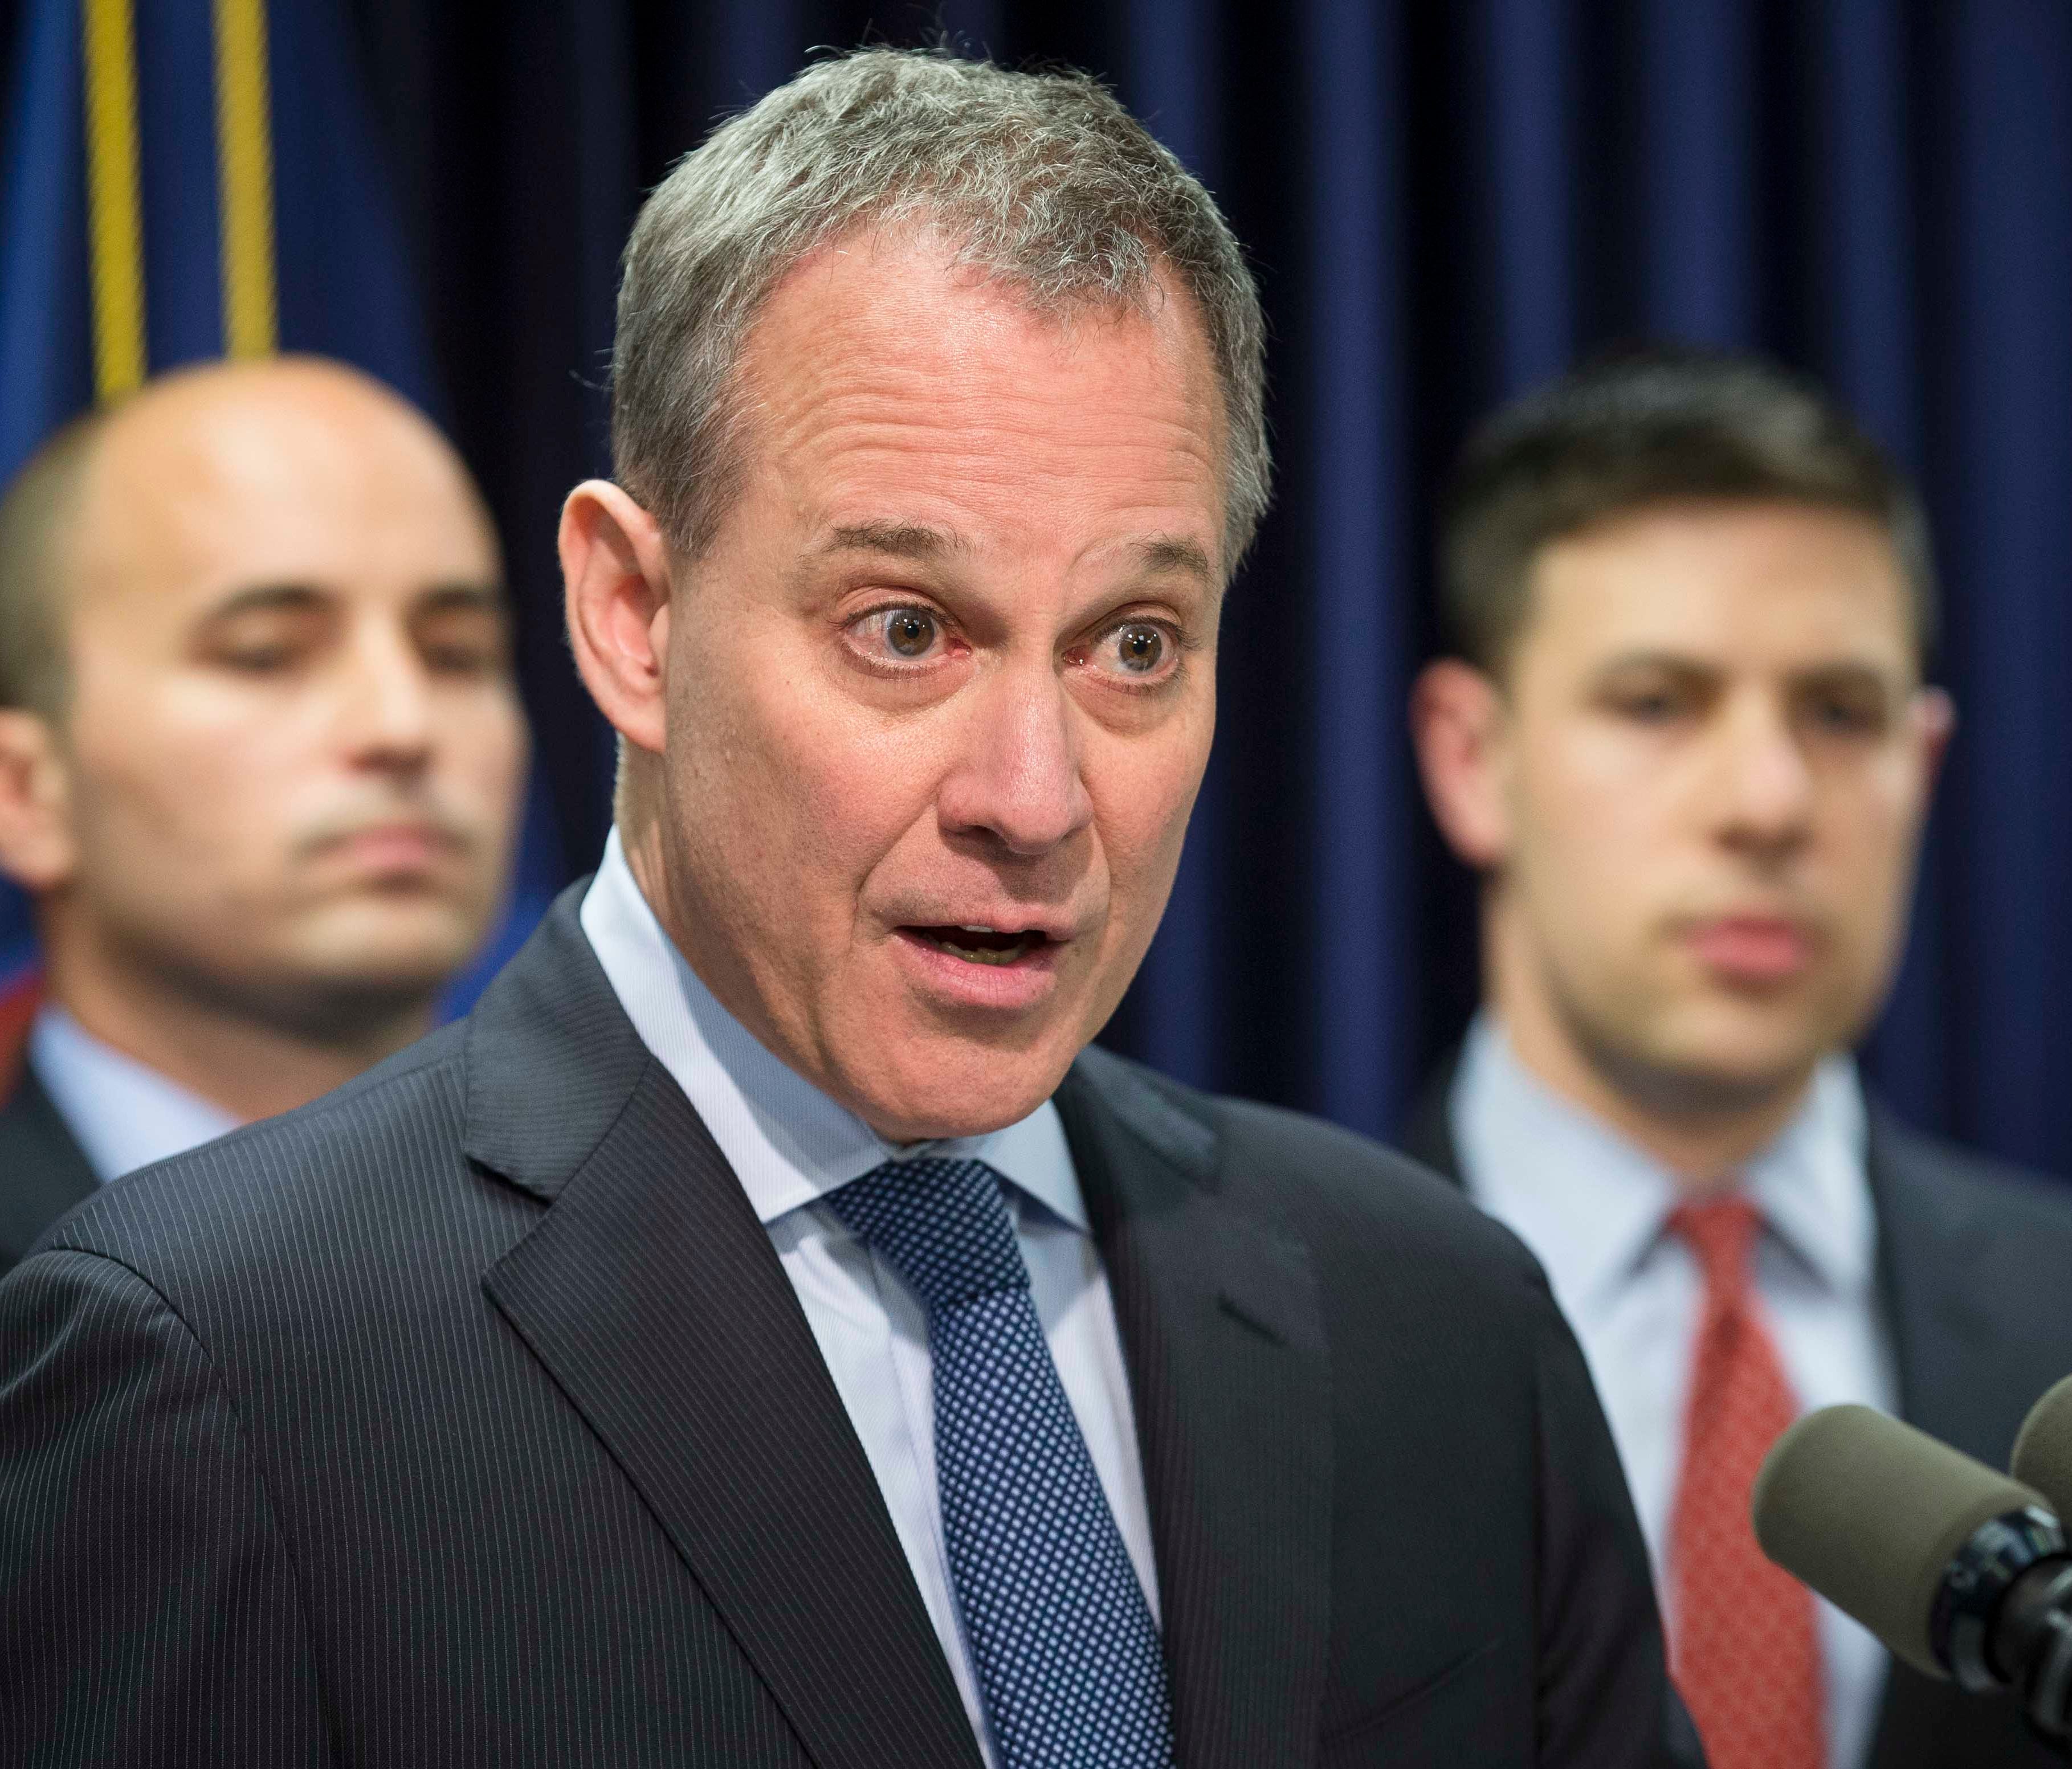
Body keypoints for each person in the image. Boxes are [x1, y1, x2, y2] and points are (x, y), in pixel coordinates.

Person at [0, 52, 1690, 1768]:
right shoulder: (220, 1368)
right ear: (632, 618)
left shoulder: (1441, 1325)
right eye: (905, 629)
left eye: (1131, 646)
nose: (1032, 796)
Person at [1404, 347, 2072, 1769]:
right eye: (1658, 702)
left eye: (1841, 713)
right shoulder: (1261, 1326)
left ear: (1926, 765)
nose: (1769, 803)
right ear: (1472, 757)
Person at [0, 357, 529, 1271]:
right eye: (266, 655)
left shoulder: (673, 1231)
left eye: (456, 652)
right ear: (25, 793)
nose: (401, 725)